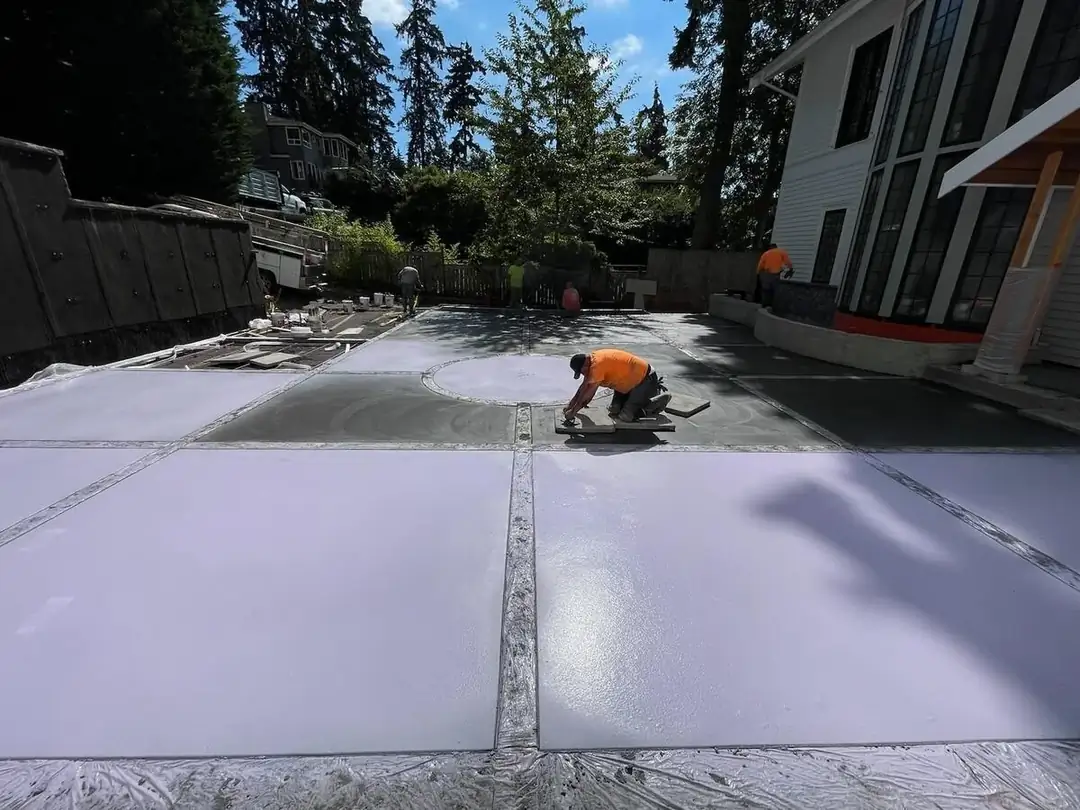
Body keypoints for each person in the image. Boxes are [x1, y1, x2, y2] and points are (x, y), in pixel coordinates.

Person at [564, 349, 672, 423]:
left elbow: (588, 395)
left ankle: (659, 400)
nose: (583, 375)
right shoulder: (591, 361)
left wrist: (573, 412)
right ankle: (630, 401)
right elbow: (583, 387)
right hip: (626, 382)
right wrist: (570, 405)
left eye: (581, 372)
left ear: (585, 365)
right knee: (614, 410)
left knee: (626, 416)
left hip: (645, 380)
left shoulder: (597, 366)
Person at [756, 242, 793, 308]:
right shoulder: (782, 252)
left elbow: (761, 264)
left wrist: (758, 272)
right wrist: (790, 269)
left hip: (766, 274)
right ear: (776, 247)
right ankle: (772, 306)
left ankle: (764, 305)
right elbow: (788, 262)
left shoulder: (766, 253)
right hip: (776, 275)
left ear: (770, 247)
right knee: (774, 290)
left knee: (765, 290)